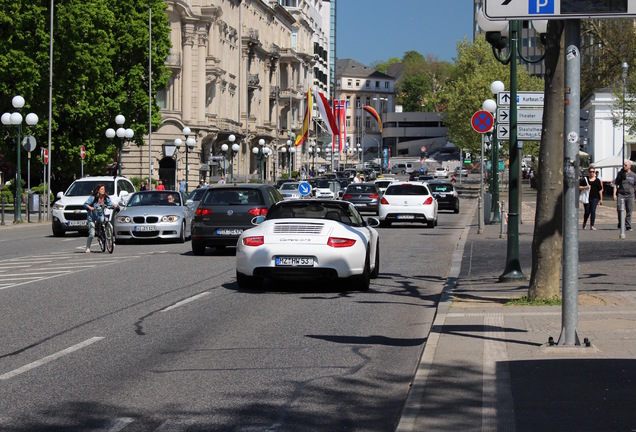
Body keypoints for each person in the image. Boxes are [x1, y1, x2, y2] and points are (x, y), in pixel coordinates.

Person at [84, 184, 117, 253]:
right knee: (92, 233)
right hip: (92, 216)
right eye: (102, 189)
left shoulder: (105, 197)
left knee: (104, 221)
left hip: (100, 215)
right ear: (98, 190)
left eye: (104, 189)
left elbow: (109, 203)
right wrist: (90, 207)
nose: (103, 190)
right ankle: (88, 247)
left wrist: (114, 205)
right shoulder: (93, 197)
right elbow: (85, 204)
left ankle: (108, 238)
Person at [613, 160, 636, 231]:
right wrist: (614, 194)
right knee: (619, 209)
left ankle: (628, 225)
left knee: (629, 210)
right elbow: (616, 184)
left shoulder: (634, 175)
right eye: (624, 165)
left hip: (630, 195)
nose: (624, 166)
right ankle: (621, 222)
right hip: (621, 194)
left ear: (629, 166)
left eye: (626, 165)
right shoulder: (620, 174)